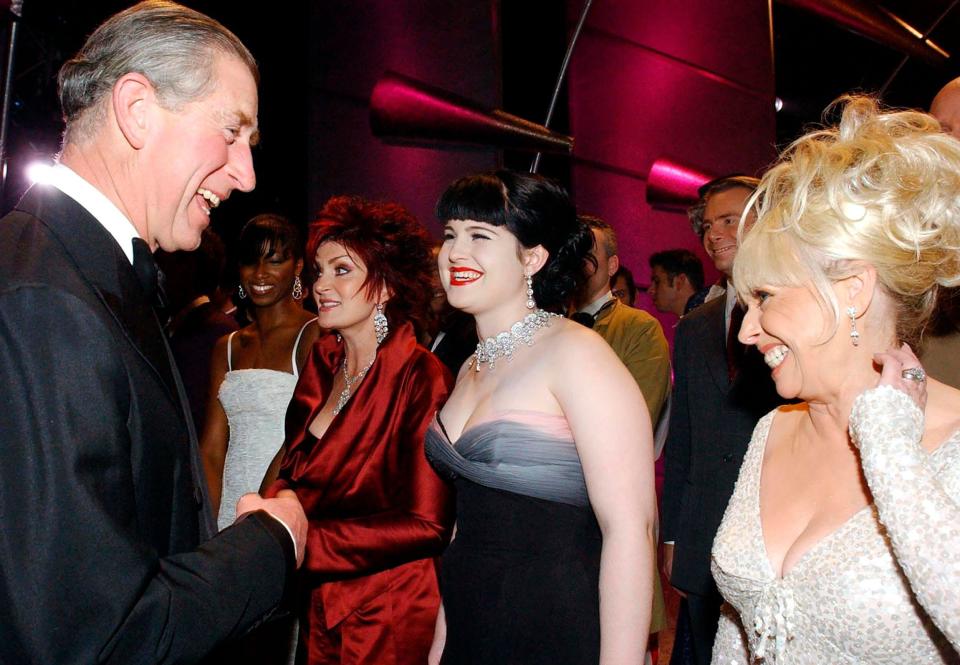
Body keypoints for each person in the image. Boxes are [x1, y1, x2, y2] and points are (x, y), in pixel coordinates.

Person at [0, 2, 306, 663]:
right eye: (231, 132)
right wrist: (270, 544)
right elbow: (93, 634)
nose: (246, 176)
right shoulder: (43, 300)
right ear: (137, 110)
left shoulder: (87, 273)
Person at [711, 96, 960, 663]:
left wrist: (890, 444)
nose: (748, 332)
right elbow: (743, 622)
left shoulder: (953, 441)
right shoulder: (772, 428)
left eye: (766, 298)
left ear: (853, 289)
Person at [426, 170, 657, 664]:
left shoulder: (577, 355)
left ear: (532, 257)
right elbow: (469, 526)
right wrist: (441, 644)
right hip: (471, 623)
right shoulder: (470, 363)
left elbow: (631, 530)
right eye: (450, 235)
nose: (454, 253)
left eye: (480, 236)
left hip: (551, 624)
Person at [267, 195, 454, 664]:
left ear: (385, 286)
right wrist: (278, 507)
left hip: (388, 606)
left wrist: (307, 542)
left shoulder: (420, 377)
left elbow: (428, 523)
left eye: (341, 270)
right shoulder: (323, 362)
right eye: (318, 271)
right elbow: (295, 464)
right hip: (319, 599)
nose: (321, 286)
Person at [661, 174, 783, 665]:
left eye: (730, 219)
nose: (714, 234)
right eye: (708, 225)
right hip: (704, 538)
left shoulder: (798, 317)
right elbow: (683, 440)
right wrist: (672, 536)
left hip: (773, 533)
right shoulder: (693, 330)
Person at [201, 213, 319, 531]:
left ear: (296, 267)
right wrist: (210, 530)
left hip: (282, 506)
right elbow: (212, 449)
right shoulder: (226, 345)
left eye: (275, 261)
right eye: (251, 262)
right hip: (228, 508)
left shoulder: (315, 333)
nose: (261, 273)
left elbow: (302, 439)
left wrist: (260, 519)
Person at [573, 214, 672, 428]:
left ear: (612, 265)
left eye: (589, 254)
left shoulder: (640, 328)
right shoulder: (542, 324)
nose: (579, 262)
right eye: (572, 253)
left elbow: (637, 421)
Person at [159, 229, 239, 433]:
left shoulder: (215, 332)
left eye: (166, 264)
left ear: (187, 269)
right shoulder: (176, 325)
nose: (159, 273)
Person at [647, 248, 706, 318]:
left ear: (680, 281)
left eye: (657, 282)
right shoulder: (699, 317)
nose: (650, 290)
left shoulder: (708, 319)